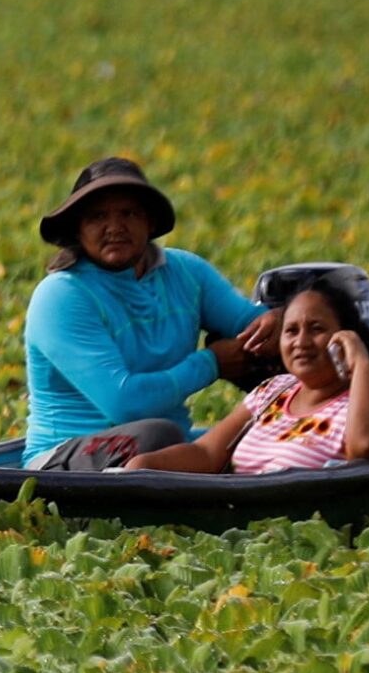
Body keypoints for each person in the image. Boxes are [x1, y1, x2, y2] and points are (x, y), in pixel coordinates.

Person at [21, 156, 280, 471]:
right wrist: (211, 363)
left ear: (150, 222)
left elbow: (251, 325)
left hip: (165, 449)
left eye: (129, 213)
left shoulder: (186, 272)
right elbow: (125, 404)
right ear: (78, 230)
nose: (115, 228)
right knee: (157, 433)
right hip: (63, 458)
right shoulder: (62, 295)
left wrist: (275, 325)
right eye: (98, 216)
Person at [121, 269, 369, 475]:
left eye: (316, 329)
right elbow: (206, 453)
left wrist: (361, 361)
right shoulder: (274, 391)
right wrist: (144, 465)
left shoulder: (362, 406)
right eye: (291, 331)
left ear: (344, 337)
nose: (301, 342)